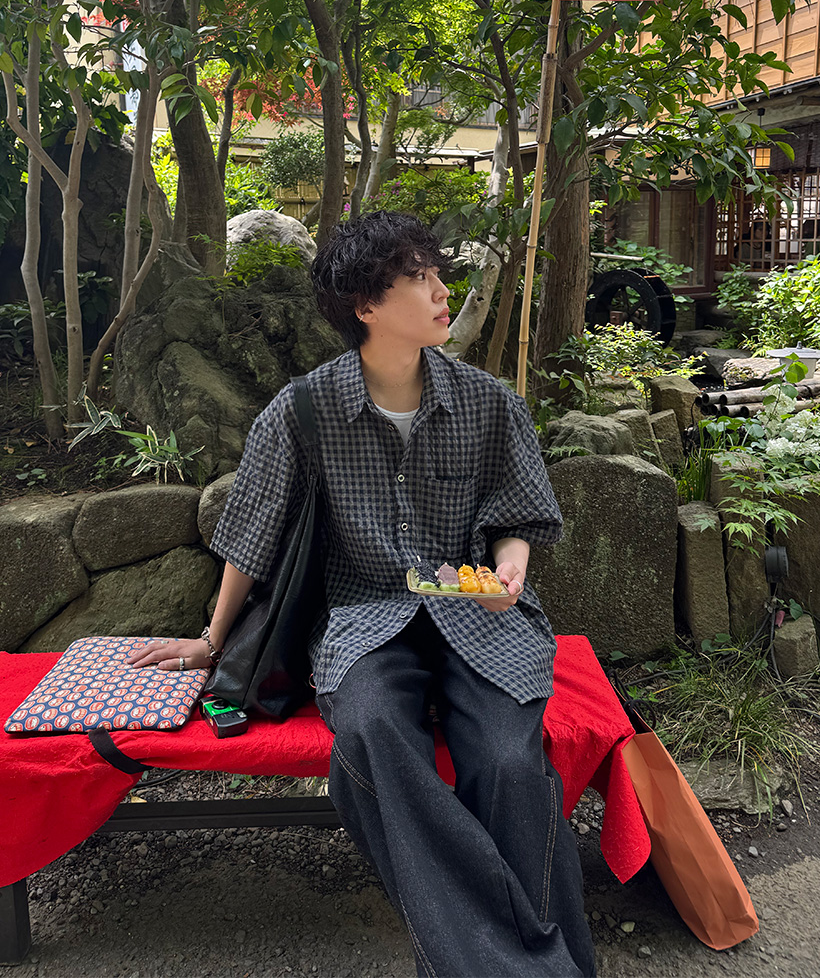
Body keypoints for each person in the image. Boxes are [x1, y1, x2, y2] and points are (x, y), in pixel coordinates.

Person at [128, 211, 596, 977]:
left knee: (510, 762)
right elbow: (252, 536)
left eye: (437, 274)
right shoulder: (302, 411)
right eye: (419, 278)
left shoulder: (489, 403)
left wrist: (510, 569)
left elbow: (517, 518)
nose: (442, 292)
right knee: (373, 730)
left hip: (482, 619)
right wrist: (212, 642)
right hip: (365, 619)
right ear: (365, 305)